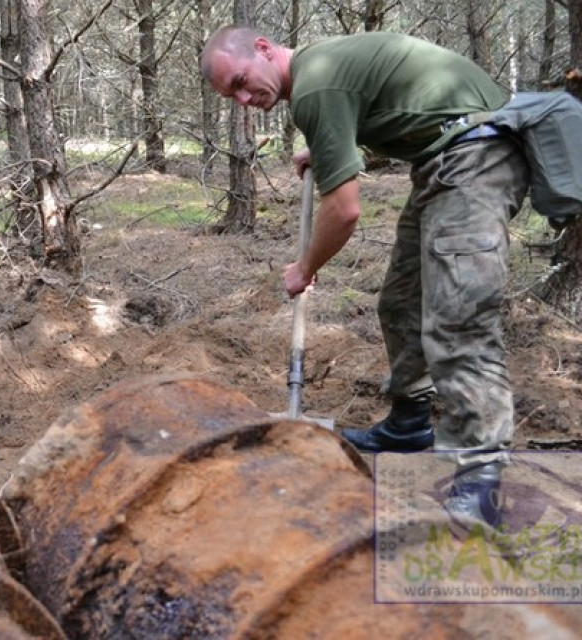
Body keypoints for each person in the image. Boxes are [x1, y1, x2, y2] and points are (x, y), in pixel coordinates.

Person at [201, 26, 529, 528]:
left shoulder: (315, 86)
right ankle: (409, 423)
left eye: (243, 81)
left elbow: (345, 210)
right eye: (234, 96)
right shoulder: (319, 72)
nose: (246, 99)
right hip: (444, 157)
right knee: (400, 301)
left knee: (458, 318)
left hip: (475, 155)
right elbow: (398, 107)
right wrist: (334, 149)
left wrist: (306, 267)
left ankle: (479, 484)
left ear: (264, 49)